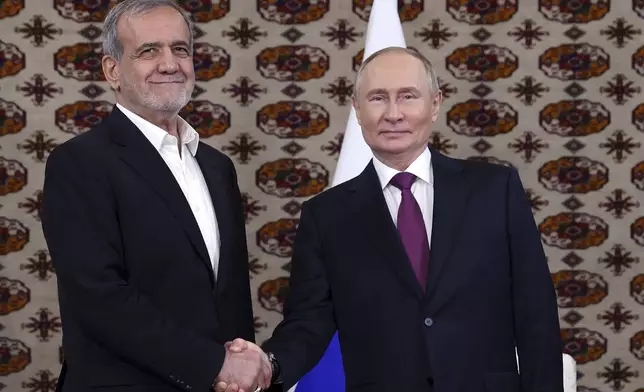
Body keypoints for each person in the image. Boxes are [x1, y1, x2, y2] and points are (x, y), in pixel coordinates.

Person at [218, 47, 563, 392]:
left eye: (408, 97)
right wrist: (269, 366)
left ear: (436, 104)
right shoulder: (326, 216)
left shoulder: (495, 191)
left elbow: (537, 316)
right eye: (378, 98)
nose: (393, 114)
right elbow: (309, 323)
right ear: (356, 108)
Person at [41, 1, 270, 391]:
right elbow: (100, 299)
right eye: (149, 51)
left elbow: (229, 300)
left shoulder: (217, 167)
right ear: (112, 70)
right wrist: (215, 364)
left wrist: (242, 372)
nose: (170, 64)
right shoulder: (78, 163)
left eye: (180, 49)